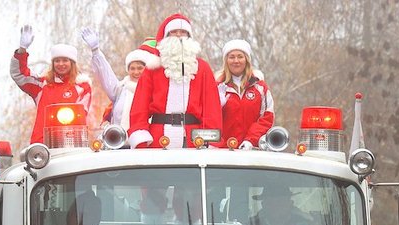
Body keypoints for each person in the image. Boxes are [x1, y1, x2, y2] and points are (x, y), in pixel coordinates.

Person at [128, 13, 223, 149]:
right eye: (174, 32)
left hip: (194, 138)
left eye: (183, 32)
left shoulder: (202, 68)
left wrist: (212, 141)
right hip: (159, 136)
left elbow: (211, 107)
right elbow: (140, 105)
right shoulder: (153, 68)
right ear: (166, 36)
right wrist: (140, 134)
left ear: (189, 37)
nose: (179, 35)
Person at [11, 24, 92, 146]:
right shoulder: (42, 85)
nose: (61, 64)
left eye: (65, 60)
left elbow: (81, 114)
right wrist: (22, 50)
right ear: (53, 63)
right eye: (57, 61)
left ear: (72, 63)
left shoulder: (82, 86)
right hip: (41, 144)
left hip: (71, 144)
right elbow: (19, 75)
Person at [80, 29, 158, 130]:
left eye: (140, 68)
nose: (136, 72)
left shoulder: (154, 89)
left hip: (146, 141)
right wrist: (95, 50)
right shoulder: (120, 89)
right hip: (120, 142)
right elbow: (105, 74)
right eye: (132, 68)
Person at [217, 39, 274, 149]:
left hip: (252, 149)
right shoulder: (218, 87)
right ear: (226, 61)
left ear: (246, 60)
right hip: (223, 150)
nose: (236, 61)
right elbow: (209, 120)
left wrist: (250, 140)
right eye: (232, 57)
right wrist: (217, 107)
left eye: (240, 56)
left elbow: (266, 118)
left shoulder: (260, 87)